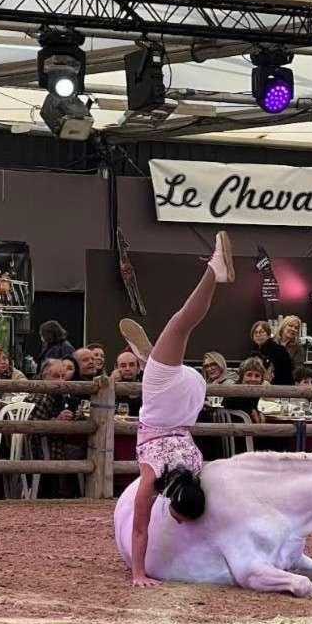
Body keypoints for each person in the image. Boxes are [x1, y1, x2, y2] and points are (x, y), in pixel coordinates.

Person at [120, 229, 231, 587]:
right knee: (182, 321)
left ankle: (149, 356)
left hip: (190, 402)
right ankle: (215, 271)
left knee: (180, 329)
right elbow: (138, 530)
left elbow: (147, 528)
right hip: (164, 403)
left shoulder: (200, 468)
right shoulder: (151, 478)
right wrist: (138, 574)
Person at [250, 320, 294, 386]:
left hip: (279, 388)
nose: (258, 335)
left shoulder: (279, 350)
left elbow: (285, 374)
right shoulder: (253, 352)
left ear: (268, 335)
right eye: (255, 333)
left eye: (261, 332)